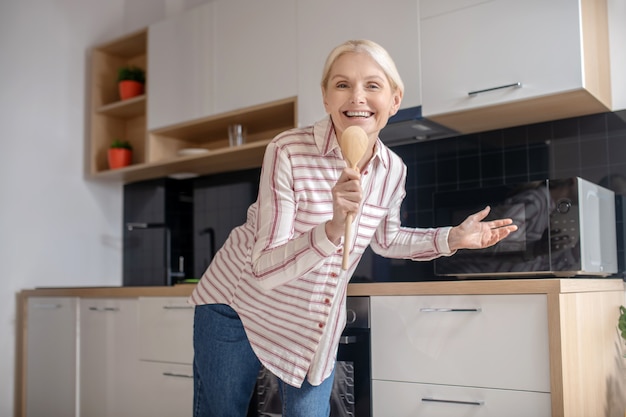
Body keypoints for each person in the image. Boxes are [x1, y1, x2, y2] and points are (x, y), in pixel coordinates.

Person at [188, 39, 518, 417]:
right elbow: (263, 268)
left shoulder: (393, 171)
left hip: (311, 321)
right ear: (326, 98)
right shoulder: (287, 151)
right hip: (238, 306)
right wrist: (331, 229)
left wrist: (452, 238)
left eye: (372, 86)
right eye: (342, 85)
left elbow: (387, 240)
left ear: (395, 100)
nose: (356, 97)